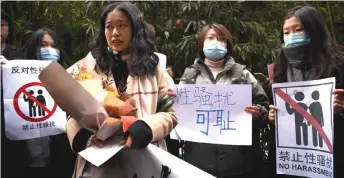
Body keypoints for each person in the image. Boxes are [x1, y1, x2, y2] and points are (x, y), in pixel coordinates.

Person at [65, 2, 177, 177]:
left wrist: (145, 129)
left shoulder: (153, 68)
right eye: (109, 27)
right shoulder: (86, 67)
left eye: (122, 25)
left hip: (143, 161)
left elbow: (170, 114)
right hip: (98, 165)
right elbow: (72, 114)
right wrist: (84, 137)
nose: (115, 33)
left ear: (135, 28)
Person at [179, 23, 269, 178]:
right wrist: (174, 101)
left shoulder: (243, 75)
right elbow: (175, 115)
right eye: (210, 38)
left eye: (221, 39)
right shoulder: (190, 76)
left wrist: (258, 112)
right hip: (197, 162)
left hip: (239, 162)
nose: (216, 42)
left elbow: (264, 107)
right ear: (202, 43)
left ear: (227, 43)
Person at [267, 6, 344, 178]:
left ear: (314, 30)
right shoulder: (278, 70)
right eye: (286, 32)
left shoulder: (338, 66)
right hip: (293, 161)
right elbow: (277, 110)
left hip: (330, 157)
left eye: (298, 29)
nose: (291, 36)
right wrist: (273, 116)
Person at [1, 27, 75, 178]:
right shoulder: (14, 76)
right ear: (34, 47)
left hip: (58, 162)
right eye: (43, 45)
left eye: (54, 46)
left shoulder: (70, 76)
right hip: (21, 162)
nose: (49, 50)